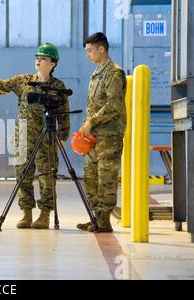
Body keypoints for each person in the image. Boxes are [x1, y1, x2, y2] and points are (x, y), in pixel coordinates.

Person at [0, 43, 70, 229]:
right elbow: (1, 85)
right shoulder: (23, 81)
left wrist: (63, 137)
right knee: (22, 175)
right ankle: (27, 213)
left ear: (53, 63)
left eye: (43, 58)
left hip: (46, 137)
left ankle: (45, 215)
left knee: (47, 176)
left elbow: (63, 114)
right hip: (23, 136)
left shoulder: (58, 87)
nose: (38, 60)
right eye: (37, 57)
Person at [77, 32, 126, 233]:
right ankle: (95, 217)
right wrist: (85, 126)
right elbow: (92, 105)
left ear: (101, 49)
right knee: (90, 177)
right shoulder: (96, 73)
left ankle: (104, 220)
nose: (88, 55)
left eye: (90, 51)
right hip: (93, 135)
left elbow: (113, 105)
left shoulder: (114, 73)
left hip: (109, 135)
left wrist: (92, 121)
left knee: (106, 178)